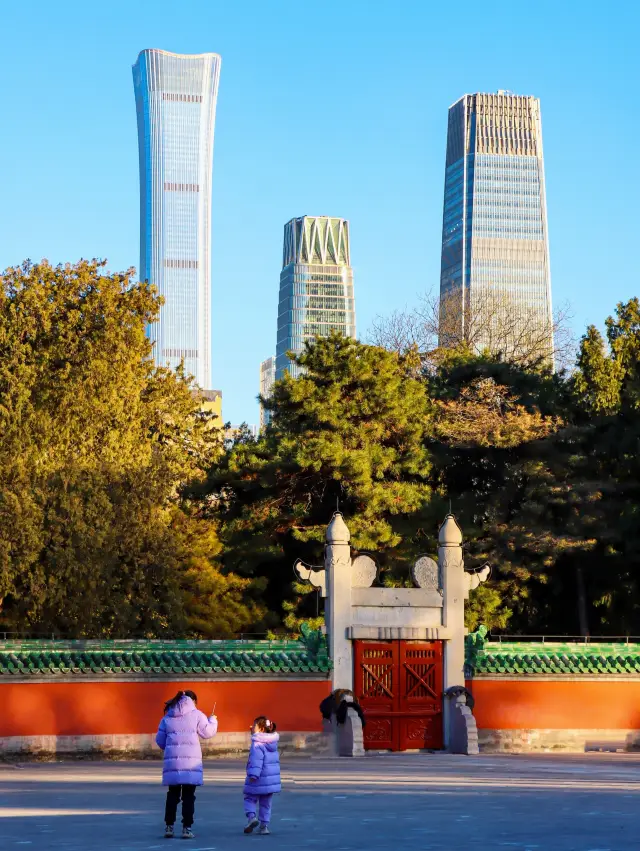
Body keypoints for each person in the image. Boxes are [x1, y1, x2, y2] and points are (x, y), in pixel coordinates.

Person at [155, 689, 218, 840]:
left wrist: (171, 748)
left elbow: (160, 741)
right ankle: (186, 828)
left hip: (173, 764)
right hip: (191, 764)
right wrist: (213, 720)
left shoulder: (168, 716)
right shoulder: (197, 714)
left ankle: (169, 826)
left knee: (172, 795)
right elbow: (208, 732)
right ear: (194, 701)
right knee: (189, 797)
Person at [243, 716, 281, 836]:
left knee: (250, 797)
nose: (251, 727)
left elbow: (256, 760)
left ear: (261, 729)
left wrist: (253, 774)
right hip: (270, 780)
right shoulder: (272, 743)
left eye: (254, 725)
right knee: (266, 802)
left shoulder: (257, 743)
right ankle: (264, 826)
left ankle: (251, 818)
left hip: (257, 777)